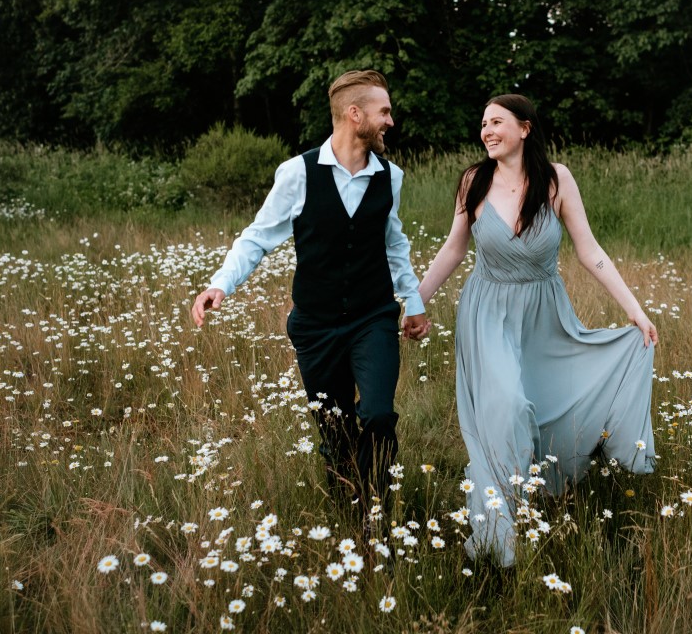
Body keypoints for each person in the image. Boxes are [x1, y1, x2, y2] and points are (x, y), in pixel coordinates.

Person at [416, 94, 658, 567]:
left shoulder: (556, 179)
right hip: (487, 312)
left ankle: (533, 495)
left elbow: (590, 251)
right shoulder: (473, 181)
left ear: (524, 129)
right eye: (482, 122)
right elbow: (452, 250)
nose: (486, 130)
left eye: (497, 122)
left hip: (544, 313)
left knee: (544, 404)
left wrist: (635, 310)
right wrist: (413, 302)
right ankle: (498, 532)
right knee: (505, 404)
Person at [192, 69, 430, 517]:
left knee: (377, 414)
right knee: (336, 428)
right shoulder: (297, 173)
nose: (390, 122)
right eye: (384, 112)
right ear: (354, 114)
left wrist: (412, 304)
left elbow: (394, 244)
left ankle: (373, 514)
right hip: (316, 327)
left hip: (373, 317)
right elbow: (258, 237)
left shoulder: (390, 176)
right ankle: (346, 506)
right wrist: (219, 284)